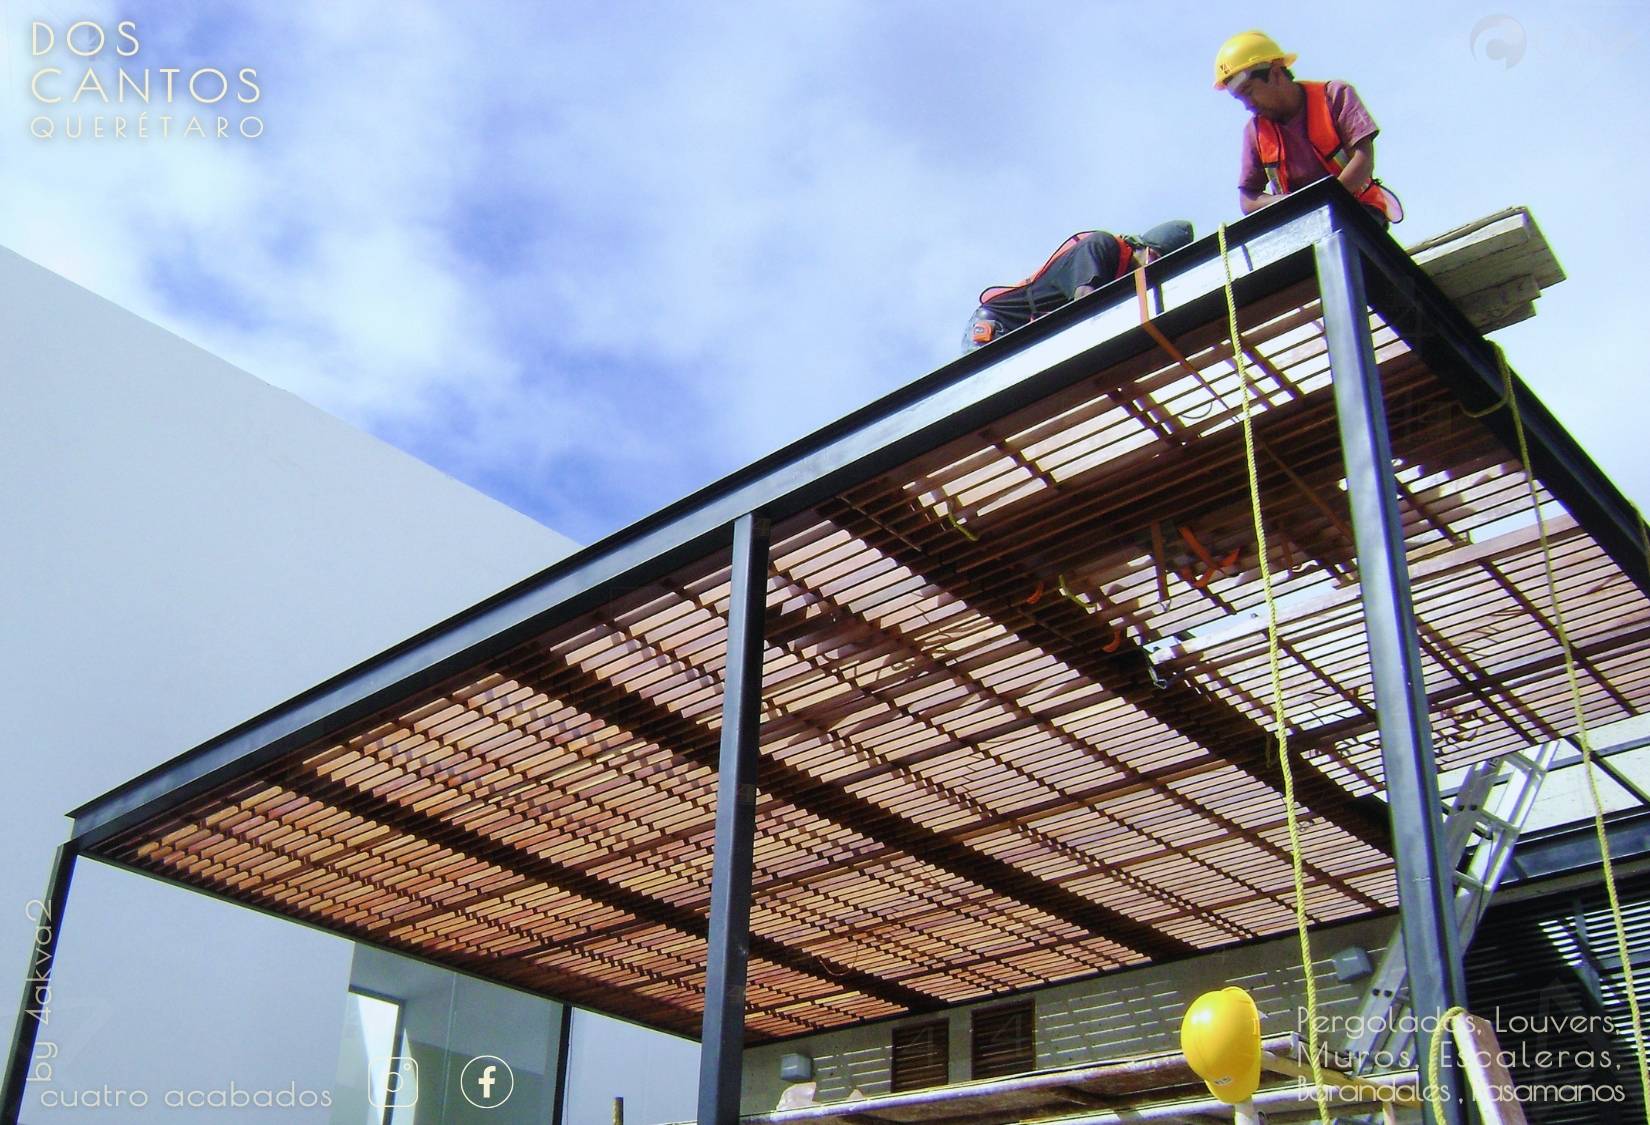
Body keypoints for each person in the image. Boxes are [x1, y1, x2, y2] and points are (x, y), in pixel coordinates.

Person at [1213, 30, 1401, 225]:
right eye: (1240, 98)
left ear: (1275, 72)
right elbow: (1247, 199)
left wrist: (1327, 203)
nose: (1247, 105)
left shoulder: (1334, 95)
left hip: (1359, 212)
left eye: (1249, 92)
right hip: (1303, 227)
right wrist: (1293, 204)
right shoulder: (1255, 131)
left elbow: (1364, 159)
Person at [964, 219, 1194, 351]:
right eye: (1154, 263)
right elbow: (1085, 304)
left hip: (1028, 339)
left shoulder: (1121, 276)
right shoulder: (1102, 245)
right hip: (1000, 328)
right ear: (1149, 252)